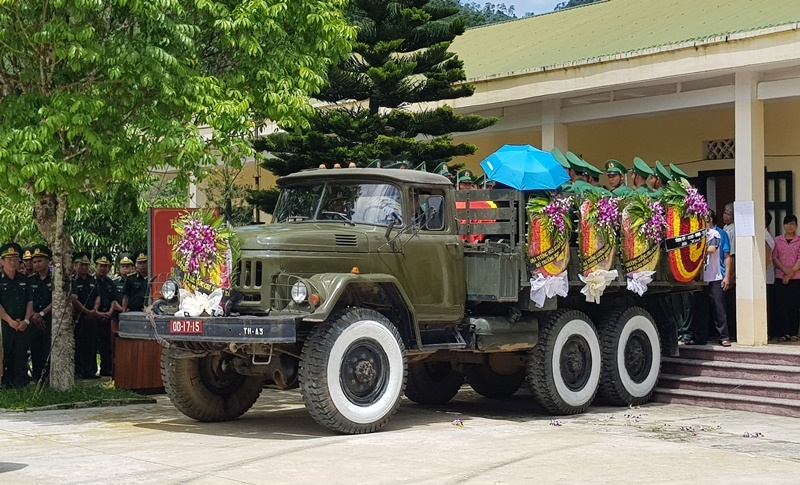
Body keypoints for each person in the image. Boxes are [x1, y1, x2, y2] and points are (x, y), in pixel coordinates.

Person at [690, 221, 731, 346]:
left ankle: (723, 337)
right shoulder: (693, 235)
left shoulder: (714, 234)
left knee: (718, 308)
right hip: (699, 279)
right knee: (699, 309)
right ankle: (699, 337)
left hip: (714, 277)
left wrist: (693, 249)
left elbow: (712, 249)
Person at [0, 243, 30, 388]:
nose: (12, 262)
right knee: (6, 353)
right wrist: (10, 321)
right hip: (5, 323)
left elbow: (30, 302)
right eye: (8, 259)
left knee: (21, 353)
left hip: (22, 323)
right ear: (2, 261)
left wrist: (26, 320)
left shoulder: (24, 280)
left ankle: (20, 382)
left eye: (15, 259)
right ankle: (6, 382)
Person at [25, 244, 53, 383]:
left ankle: (47, 376)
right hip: (33, 319)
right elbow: (27, 301)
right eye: (34, 262)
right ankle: (37, 377)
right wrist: (34, 315)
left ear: (47, 261)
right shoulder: (29, 280)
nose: (36, 264)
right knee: (35, 349)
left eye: (39, 261)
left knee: (48, 349)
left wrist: (41, 314)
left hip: (48, 319)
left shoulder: (54, 280)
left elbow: (57, 300)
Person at [771, 214, 800, 342]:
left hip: (796, 278)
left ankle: (794, 332)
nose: (789, 226)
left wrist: (791, 272)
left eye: (792, 223)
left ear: (796, 226)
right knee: (782, 305)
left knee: (794, 305)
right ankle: (784, 332)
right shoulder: (777, 240)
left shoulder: (799, 240)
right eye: (787, 223)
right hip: (780, 277)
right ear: (783, 225)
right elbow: (774, 257)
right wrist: (784, 271)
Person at [72, 252, 99, 378]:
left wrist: (94, 310)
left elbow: (98, 296)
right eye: (81, 265)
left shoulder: (92, 280)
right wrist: (86, 312)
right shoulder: (73, 281)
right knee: (79, 344)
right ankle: (79, 371)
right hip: (79, 317)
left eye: (86, 265)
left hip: (92, 316)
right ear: (75, 265)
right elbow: (74, 300)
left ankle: (90, 371)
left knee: (92, 344)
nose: (84, 267)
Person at [93, 252, 118, 377]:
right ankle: (91, 369)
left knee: (107, 344)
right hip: (94, 315)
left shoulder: (110, 282)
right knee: (92, 343)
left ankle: (106, 368)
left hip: (108, 315)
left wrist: (109, 312)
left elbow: (114, 299)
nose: (103, 268)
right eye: (101, 265)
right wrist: (96, 312)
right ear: (96, 266)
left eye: (106, 266)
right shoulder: (91, 281)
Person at [722, 203, 737, 340]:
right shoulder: (724, 229)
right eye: (725, 213)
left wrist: (731, 275)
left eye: (728, 214)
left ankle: (731, 332)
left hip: (730, 271)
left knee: (730, 305)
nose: (725, 216)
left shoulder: (733, 231)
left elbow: (732, 255)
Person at [765, 212, 776, 339]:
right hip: (765, 278)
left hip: (765, 278)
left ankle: (768, 332)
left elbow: (766, 259)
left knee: (767, 307)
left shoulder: (766, 237)